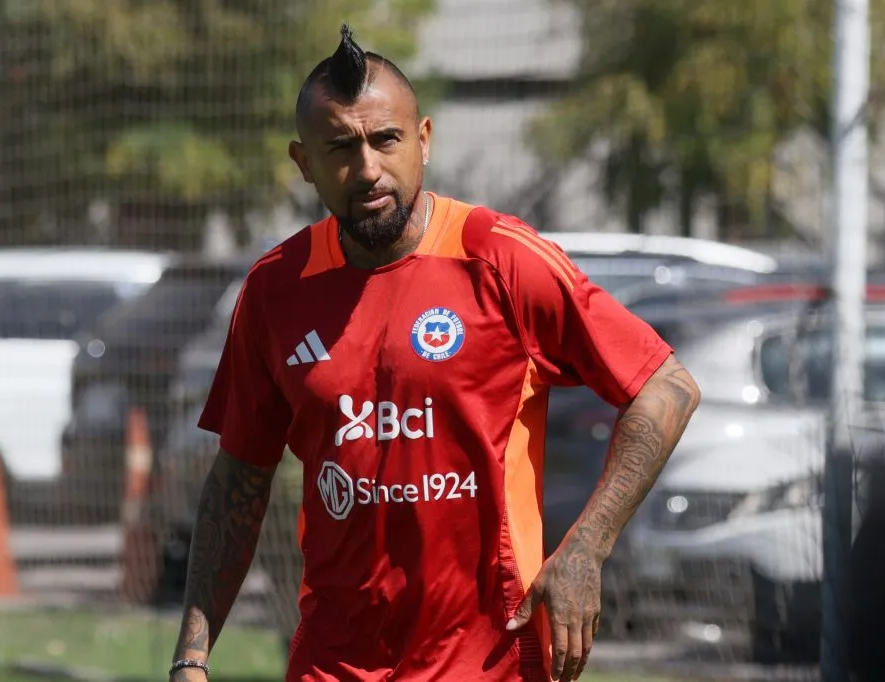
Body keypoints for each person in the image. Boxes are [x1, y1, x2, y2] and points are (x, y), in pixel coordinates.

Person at [169, 24, 701, 682]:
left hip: (491, 662)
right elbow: (239, 479)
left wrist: (586, 549)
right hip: (333, 663)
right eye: (339, 147)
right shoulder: (276, 289)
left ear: (423, 139)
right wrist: (191, 659)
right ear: (303, 162)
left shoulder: (500, 258)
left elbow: (667, 386)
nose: (367, 169)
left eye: (385, 140)